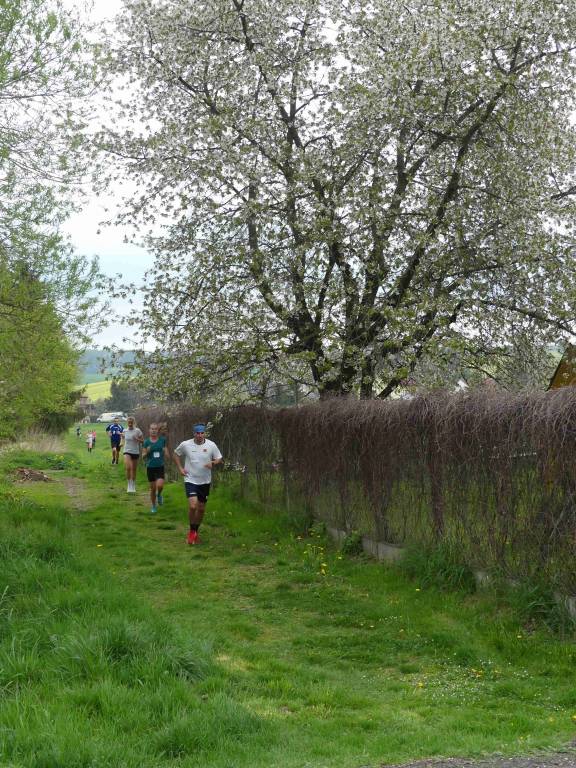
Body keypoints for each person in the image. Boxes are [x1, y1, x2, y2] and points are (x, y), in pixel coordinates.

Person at [173, 424, 223, 545]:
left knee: (201, 509)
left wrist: (213, 463)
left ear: (204, 433)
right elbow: (176, 454)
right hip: (190, 479)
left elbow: (219, 458)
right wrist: (180, 468)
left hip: (205, 481)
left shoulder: (211, 445)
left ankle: (195, 532)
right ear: (194, 434)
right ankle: (191, 531)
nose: (200, 435)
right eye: (197, 433)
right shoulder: (186, 444)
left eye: (202, 433)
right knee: (193, 506)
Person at [142, 422, 169, 514]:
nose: (153, 431)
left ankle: (159, 494)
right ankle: (153, 506)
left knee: (160, 485)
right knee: (153, 489)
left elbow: (167, 455)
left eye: (155, 429)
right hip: (150, 467)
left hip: (160, 466)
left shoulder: (162, 440)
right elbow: (143, 456)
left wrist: (165, 452)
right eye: (152, 429)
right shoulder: (146, 442)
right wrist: (147, 452)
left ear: (158, 431)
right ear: (149, 430)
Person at [122, 416, 144, 493]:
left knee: (134, 469)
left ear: (134, 423)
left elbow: (143, 441)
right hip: (127, 451)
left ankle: (133, 485)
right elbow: (122, 438)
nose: (130, 424)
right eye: (129, 423)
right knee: (128, 467)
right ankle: (129, 484)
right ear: (127, 423)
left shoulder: (138, 431)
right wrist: (121, 442)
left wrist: (137, 439)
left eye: (131, 423)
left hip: (135, 452)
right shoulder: (125, 430)